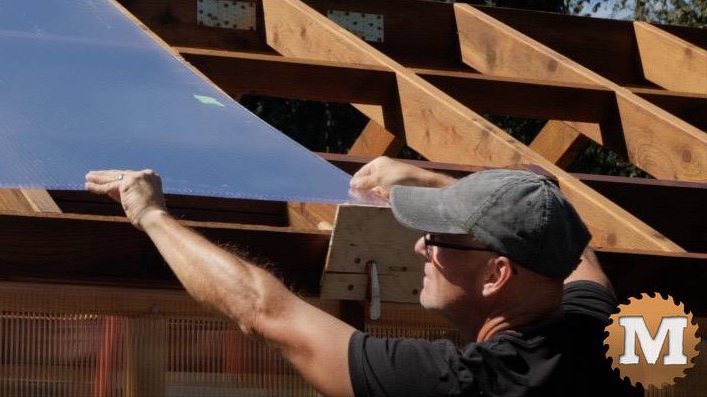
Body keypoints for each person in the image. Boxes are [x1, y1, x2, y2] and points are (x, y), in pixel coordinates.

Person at [84, 157, 639, 396]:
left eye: (440, 238)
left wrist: (150, 215)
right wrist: (436, 187)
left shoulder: (458, 384)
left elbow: (261, 307)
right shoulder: (599, 333)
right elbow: (565, 238)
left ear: (497, 275)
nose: (421, 246)